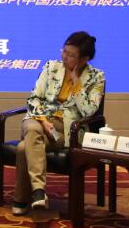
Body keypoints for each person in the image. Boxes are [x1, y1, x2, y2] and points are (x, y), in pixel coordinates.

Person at [12, 30, 104, 215]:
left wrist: (76, 82)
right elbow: (34, 98)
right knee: (32, 128)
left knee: (23, 148)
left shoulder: (96, 77)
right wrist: (44, 121)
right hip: (39, 121)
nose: (65, 57)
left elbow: (89, 111)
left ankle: (23, 198)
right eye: (64, 51)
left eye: (71, 55)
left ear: (84, 59)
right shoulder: (51, 67)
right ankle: (38, 191)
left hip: (67, 131)